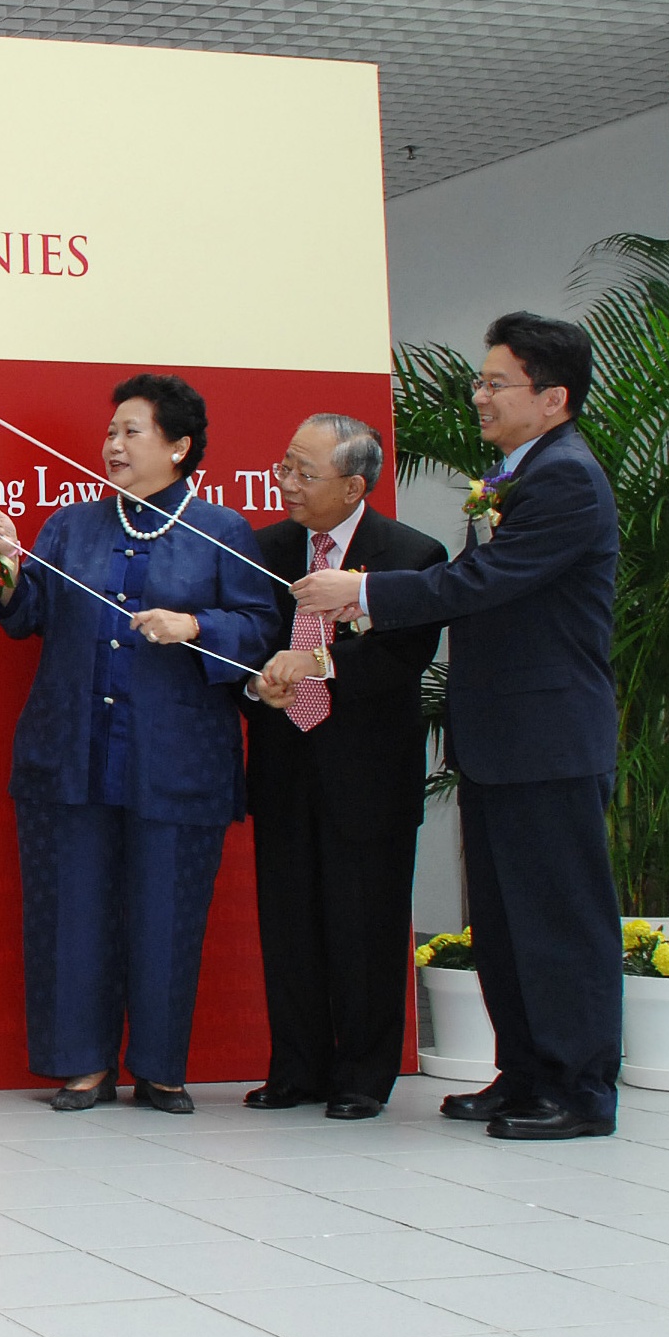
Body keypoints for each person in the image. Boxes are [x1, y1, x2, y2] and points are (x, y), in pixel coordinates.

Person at [295, 312, 621, 1140]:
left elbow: (481, 582)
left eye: (495, 382)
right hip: (504, 739)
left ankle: (578, 1090)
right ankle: (525, 1073)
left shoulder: (567, 479)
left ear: (553, 397)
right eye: (480, 379)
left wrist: (361, 592)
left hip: (548, 740)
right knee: (509, 921)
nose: (478, 394)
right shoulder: (515, 472)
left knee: (558, 920)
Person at [0, 374, 278, 1113]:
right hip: (70, 749)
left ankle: (160, 1067)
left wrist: (195, 626)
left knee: (167, 909)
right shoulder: (71, 525)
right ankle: (81, 1064)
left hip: (176, 758)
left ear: (178, 446)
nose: (113, 444)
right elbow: (24, 616)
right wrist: (6, 566)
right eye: (110, 431)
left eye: (132, 431)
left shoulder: (222, 528)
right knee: (71, 910)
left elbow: (261, 627)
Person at [238, 414, 447, 1120]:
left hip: (368, 776)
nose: (286, 483)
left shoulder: (411, 555)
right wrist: (258, 682)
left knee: (368, 927)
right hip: (284, 765)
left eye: (304, 472)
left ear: (354, 485)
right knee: (290, 923)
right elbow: (252, 640)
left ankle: (363, 1074)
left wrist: (318, 664)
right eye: (285, 467)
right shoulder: (263, 548)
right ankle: (296, 1067)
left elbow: (401, 656)